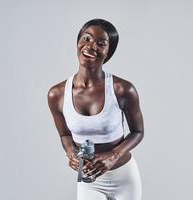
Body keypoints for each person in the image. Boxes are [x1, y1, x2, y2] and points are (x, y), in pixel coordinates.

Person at [48, 18, 144, 200]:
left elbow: (138, 132)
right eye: (86, 38)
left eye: (101, 44)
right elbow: (65, 135)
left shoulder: (122, 89)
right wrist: (71, 153)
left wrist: (114, 155)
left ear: (108, 53)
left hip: (124, 177)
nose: (91, 46)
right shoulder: (57, 94)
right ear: (77, 42)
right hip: (89, 180)